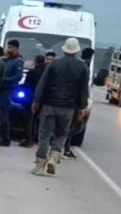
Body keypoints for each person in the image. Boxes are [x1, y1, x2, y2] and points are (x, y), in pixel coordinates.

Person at [31, 38, 89, 176]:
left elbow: (43, 83)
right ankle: (54, 157)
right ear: (76, 51)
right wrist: (82, 107)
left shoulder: (54, 64)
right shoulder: (82, 67)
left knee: (45, 134)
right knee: (62, 134)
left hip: (49, 105)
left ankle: (39, 163)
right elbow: (83, 90)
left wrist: (36, 100)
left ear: (64, 49)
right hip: (68, 108)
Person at [63, 47, 95, 159]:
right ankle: (65, 148)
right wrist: (83, 104)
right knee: (72, 126)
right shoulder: (84, 67)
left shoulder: (78, 65)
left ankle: (64, 147)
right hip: (76, 101)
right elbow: (83, 88)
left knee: (70, 126)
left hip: (70, 98)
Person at [0, 39, 24, 147]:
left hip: (9, 89)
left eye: (11, 48)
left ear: (16, 49)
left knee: (4, 114)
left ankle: (5, 139)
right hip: (1, 88)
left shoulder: (18, 61)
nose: (9, 49)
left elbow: (18, 76)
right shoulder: (7, 60)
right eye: (8, 47)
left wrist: (6, 80)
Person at [20, 55, 48, 147]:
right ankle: (37, 138)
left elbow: (26, 85)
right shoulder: (46, 73)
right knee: (39, 120)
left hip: (30, 98)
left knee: (29, 120)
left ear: (35, 62)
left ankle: (29, 140)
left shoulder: (32, 72)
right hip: (43, 99)